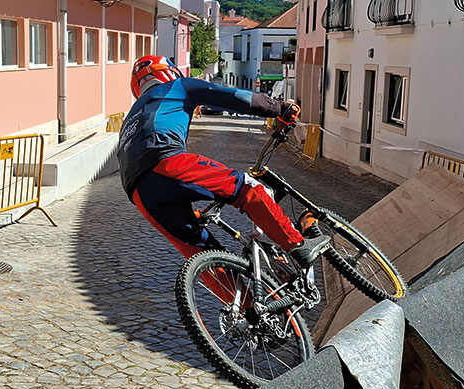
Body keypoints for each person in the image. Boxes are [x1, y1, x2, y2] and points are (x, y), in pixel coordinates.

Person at [117, 56, 329, 273]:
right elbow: (235, 97)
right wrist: (278, 108)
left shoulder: (132, 115)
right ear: (170, 72)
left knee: (200, 252)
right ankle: (298, 245)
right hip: (166, 161)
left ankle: (245, 306)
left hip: (137, 192)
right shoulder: (178, 86)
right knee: (248, 188)